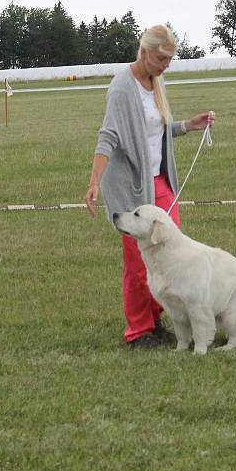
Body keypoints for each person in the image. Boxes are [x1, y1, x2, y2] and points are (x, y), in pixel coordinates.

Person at [85, 24, 215, 349]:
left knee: (171, 253)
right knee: (137, 263)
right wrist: (94, 181)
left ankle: (157, 320)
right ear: (143, 52)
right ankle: (139, 331)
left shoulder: (157, 83)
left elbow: (153, 133)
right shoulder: (121, 89)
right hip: (131, 189)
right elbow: (110, 135)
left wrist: (188, 126)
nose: (166, 65)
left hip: (158, 182)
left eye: (170, 59)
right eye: (161, 59)